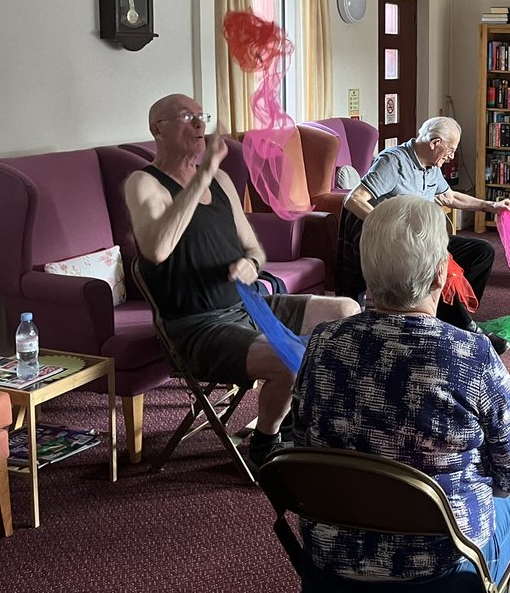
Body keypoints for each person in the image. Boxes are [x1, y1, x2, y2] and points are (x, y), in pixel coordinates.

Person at [293, 195, 510, 587]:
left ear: (368, 273)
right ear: (442, 274)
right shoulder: (471, 355)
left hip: (330, 564)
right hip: (440, 569)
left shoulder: (323, 342)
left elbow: (302, 442)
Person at [125, 94, 357, 466]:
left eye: (202, 116)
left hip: (248, 304)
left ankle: (299, 416)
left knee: (348, 310)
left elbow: (252, 247)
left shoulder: (220, 180)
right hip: (198, 326)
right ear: (157, 129)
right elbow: (156, 249)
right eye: (187, 117)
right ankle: (266, 442)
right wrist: (199, 176)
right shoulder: (143, 184)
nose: (199, 124)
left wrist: (250, 264)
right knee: (289, 360)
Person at [337, 116, 510, 354]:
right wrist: (387, 226)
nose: (451, 157)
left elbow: (449, 197)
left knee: (481, 252)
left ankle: (448, 317)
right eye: (450, 150)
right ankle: (467, 330)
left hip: (423, 239)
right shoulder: (393, 162)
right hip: (396, 243)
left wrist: (490, 206)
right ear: (435, 143)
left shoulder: (432, 166)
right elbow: (354, 199)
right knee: (438, 264)